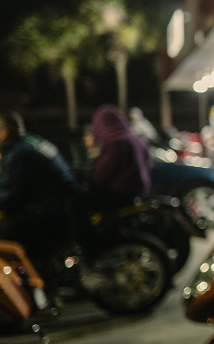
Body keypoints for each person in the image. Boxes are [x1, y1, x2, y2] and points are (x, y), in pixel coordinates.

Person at [0, 110, 77, 258]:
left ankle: (31, 279)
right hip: (62, 204)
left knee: (4, 238)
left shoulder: (20, 153)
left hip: (47, 211)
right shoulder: (31, 142)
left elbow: (10, 196)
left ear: (4, 132)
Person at [86, 105, 151, 213]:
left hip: (118, 196)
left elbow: (100, 176)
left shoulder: (116, 142)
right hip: (139, 193)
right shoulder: (138, 139)